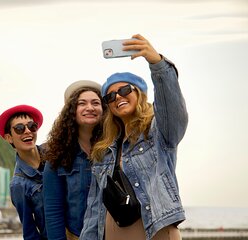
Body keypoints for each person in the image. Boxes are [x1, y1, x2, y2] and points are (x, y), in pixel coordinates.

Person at [80, 34, 188, 240]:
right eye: (110, 96)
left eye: (124, 89)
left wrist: (157, 63)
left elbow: (172, 108)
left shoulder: (159, 132)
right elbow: (94, 206)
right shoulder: (103, 150)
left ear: (139, 93)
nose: (118, 96)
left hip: (155, 230)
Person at [43, 80, 106, 240]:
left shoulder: (115, 147)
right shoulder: (57, 155)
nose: (90, 108)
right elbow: (53, 210)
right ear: (71, 111)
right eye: (82, 103)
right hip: (76, 235)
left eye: (96, 103)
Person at [0, 104, 47, 240]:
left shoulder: (56, 153)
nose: (27, 131)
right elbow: (30, 233)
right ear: (9, 138)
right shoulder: (18, 185)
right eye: (19, 128)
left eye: (32, 126)